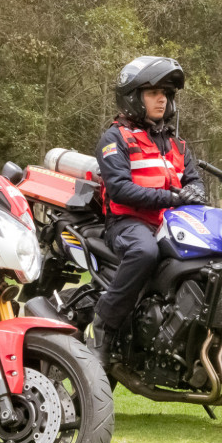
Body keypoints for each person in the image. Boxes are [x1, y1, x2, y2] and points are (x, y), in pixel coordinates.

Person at [88, 56, 206, 366]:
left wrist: (196, 193)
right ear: (133, 97)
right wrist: (173, 198)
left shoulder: (177, 144)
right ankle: (103, 326)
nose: (161, 99)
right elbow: (120, 189)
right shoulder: (115, 138)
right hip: (127, 222)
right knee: (144, 252)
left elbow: (194, 180)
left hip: (171, 224)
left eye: (165, 93)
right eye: (153, 92)